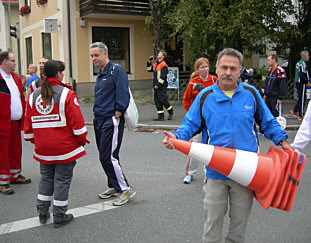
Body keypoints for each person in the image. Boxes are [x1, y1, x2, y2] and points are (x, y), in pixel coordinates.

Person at [163, 48, 293, 243]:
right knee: (212, 227)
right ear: (217, 68)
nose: (228, 72)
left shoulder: (251, 94)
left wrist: (282, 141)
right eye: (224, 67)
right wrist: (176, 137)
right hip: (215, 173)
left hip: (246, 172)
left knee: (238, 229)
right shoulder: (206, 96)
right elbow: (190, 124)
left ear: (240, 71)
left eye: (233, 68)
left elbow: (267, 121)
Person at [24, 60, 88, 228]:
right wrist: (81, 142)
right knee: (62, 180)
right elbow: (78, 125)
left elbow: (28, 128)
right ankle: (59, 215)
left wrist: (38, 142)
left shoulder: (33, 95)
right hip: (64, 148)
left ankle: (42, 212)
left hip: (43, 149)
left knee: (46, 178)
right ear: (59, 74)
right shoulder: (67, 94)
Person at [90, 42, 136, 206]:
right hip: (99, 119)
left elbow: (123, 93)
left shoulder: (117, 70)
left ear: (105, 54)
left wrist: (117, 114)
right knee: (106, 156)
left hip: (111, 119)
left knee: (108, 156)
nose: (93, 59)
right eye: (92, 56)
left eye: (96, 55)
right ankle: (114, 186)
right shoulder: (101, 73)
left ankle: (125, 189)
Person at [0, 51, 31, 195]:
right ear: (4, 62)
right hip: (2, 123)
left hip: (15, 122)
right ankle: (3, 181)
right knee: (3, 153)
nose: (15, 64)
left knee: (15, 150)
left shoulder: (16, 79)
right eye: (12, 61)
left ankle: (15, 175)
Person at [182, 57, 217, 184]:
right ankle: (190, 173)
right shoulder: (193, 82)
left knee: (212, 147)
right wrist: (192, 113)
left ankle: (210, 174)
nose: (205, 69)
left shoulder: (214, 80)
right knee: (195, 147)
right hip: (199, 121)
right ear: (197, 69)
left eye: (206, 66)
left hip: (212, 120)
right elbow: (186, 100)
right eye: (202, 67)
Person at [147, 50, 174, 121]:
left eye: (159, 53)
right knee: (157, 101)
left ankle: (170, 111)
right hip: (156, 85)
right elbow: (149, 70)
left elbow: (163, 76)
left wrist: (158, 85)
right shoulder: (156, 64)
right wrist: (149, 62)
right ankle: (161, 116)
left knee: (163, 100)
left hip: (161, 86)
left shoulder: (164, 65)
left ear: (163, 56)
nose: (158, 54)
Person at [291, 50, 310, 120]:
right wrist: (306, 80)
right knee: (302, 98)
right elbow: (302, 73)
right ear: (303, 56)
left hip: (298, 81)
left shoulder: (299, 63)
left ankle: (295, 109)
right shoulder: (302, 63)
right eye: (307, 55)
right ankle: (301, 114)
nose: (308, 57)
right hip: (301, 82)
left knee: (302, 97)